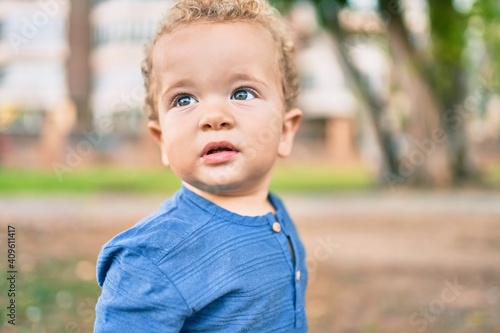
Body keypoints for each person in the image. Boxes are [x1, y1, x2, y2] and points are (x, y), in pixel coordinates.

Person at [94, 0, 307, 331]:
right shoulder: (151, 259)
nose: (214, 118)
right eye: (184, 99)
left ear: (284, 131)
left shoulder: (275, 212)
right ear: (161, 139)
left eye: (242, 93)